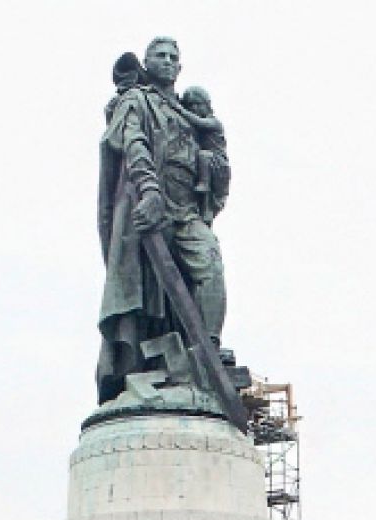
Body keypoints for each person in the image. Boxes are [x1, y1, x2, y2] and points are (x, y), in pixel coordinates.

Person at [97, 37, 230, 405]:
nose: (168, 61)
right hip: (152, 203)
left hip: (188, 208)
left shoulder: (191, 111)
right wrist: (150, 191)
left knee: (210, 266)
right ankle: (151, 365)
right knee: (151, 290)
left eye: (174, 57)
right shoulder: (135, 101)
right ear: (147, 62)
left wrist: (215, 152)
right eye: (160, 56)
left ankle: (207, 352)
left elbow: (217, 168)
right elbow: (132, 142)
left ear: (180, 66)